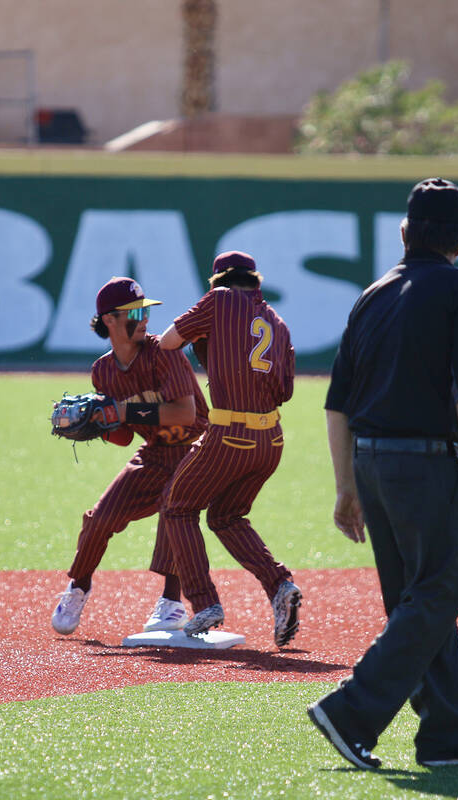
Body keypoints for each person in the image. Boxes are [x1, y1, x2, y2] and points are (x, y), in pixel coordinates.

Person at [308, 178, 458, 769]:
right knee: (439, 593)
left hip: (370, 463)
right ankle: (352, 710)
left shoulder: (374, 293)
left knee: (416, 603)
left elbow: (337, 404)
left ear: (404, 232)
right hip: (423, 466)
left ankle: (446, 736)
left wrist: (346, 486)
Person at [157, 251, 302, 649]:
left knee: (177, 505)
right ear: (255, 282)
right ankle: (279, 585)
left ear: (217, 281)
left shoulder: (218, 301)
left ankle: (205, 604)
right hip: (270, 439)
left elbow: (169, 342)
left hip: (230, 433)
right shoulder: (277, 320)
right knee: (227, 516)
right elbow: (284, 392)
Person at [51, 276, 210, 637]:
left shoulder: (163, 355)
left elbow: (185, 413)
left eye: (144, 310)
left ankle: (171, 602)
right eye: (134, 312)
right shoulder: (103, 371)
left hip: (197, 447)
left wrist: (122, 412)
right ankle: (78, 586)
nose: (144, 318)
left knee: (175, 507)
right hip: (155, 451)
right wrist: (98, 422)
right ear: (109, 320)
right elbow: (123, 437)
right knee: (99, 518)